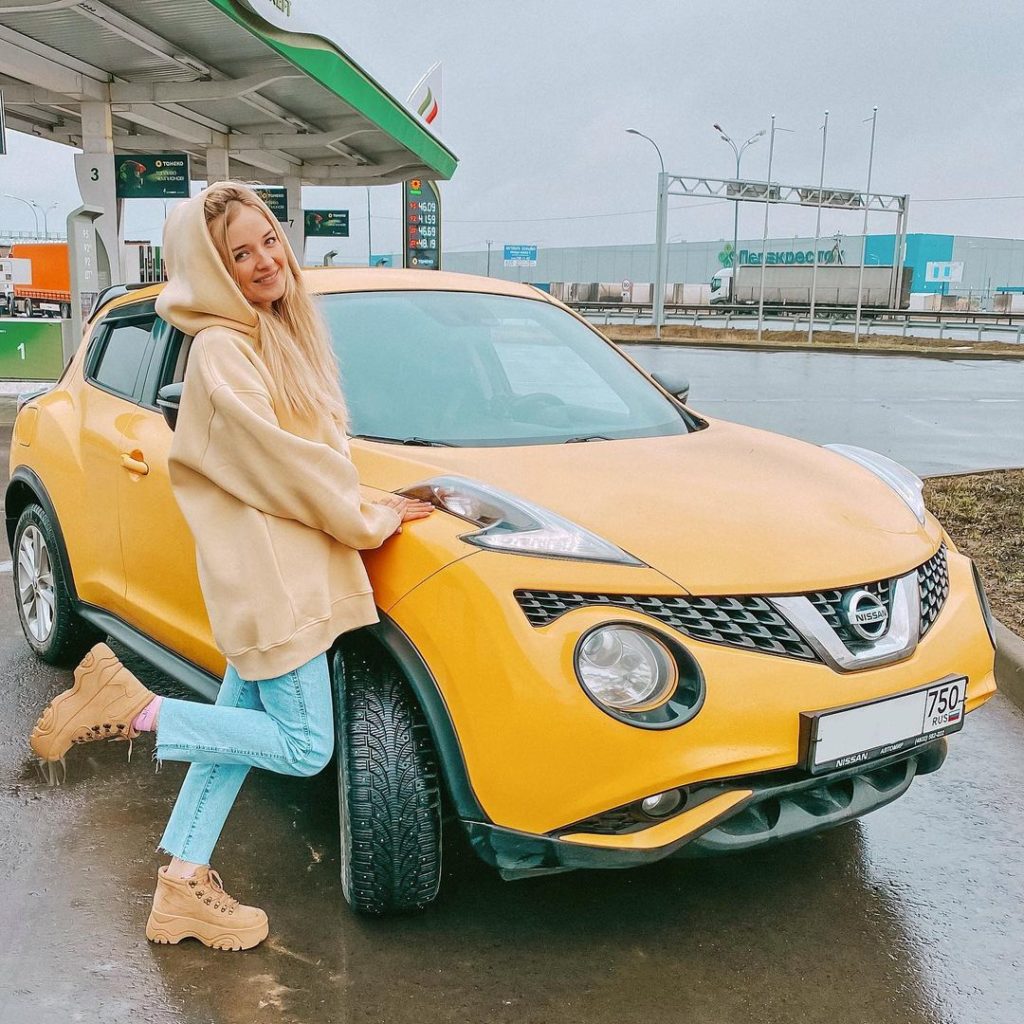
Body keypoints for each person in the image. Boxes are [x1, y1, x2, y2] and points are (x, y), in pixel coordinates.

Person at [28, 181, 434, 951]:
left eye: (267, 241)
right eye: (238, 254)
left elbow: (305, 459)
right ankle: (131, 707)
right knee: (304, 744)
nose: (262, 262)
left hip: (281, 572)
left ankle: (181, 886)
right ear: (212, 270)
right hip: (274, 580)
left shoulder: (268, 335)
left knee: (235, 733)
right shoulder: (223, 351)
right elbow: (288, 467)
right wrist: (369, 514)